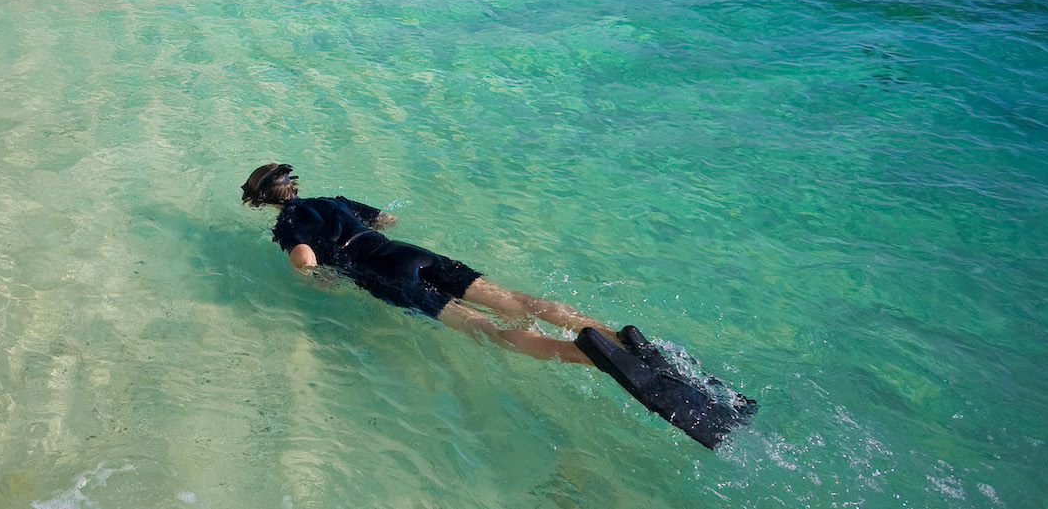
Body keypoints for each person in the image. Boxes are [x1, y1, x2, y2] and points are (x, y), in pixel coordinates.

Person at [242, 162, 756, 448]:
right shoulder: (332, 199)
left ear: (264, 201)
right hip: (410, 254)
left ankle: (588, 355)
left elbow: (304, 259)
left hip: (383, 274)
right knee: (517, 300)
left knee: (483, 330)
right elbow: (387, 222)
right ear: (293, 184)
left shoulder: (287, 223)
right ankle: (619, 339)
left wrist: (316, 279)